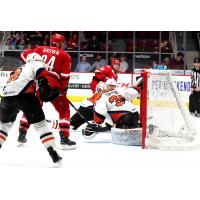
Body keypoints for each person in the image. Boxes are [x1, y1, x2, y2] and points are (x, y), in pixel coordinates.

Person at [0, 53, 62, 165]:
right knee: (41, 125)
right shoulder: (37, 64)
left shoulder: (20, 68)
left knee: (4, 126)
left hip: (6, 97)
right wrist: (49, 93)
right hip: (25, 96)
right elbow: (43, 83)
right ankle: (54, 156)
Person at [17, 33, 76, 150]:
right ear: (58, 43)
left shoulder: (39, 49)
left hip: (38, 83)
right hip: (53, 86)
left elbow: (23, 56)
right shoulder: (65, 55)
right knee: (64, 110)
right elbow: (65, 77)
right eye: (63, 43)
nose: (64, 45)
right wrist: (63, 91)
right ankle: (64, 138)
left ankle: (22, 134)